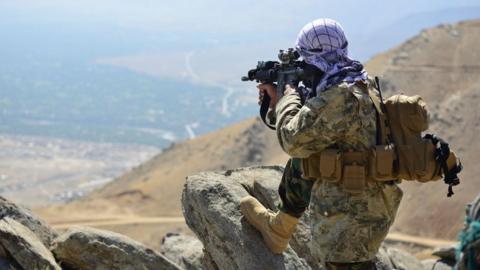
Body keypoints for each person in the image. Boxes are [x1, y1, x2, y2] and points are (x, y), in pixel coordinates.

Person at [240, 18, 403, 270]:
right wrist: (277, 103)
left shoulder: (339, 98)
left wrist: (288, 96)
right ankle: (280, 228)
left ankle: (280, 227)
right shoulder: (357, 83)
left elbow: (292, 140)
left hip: (347, 220)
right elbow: (308, 133)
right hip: (367, 208)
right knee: (312, 156)